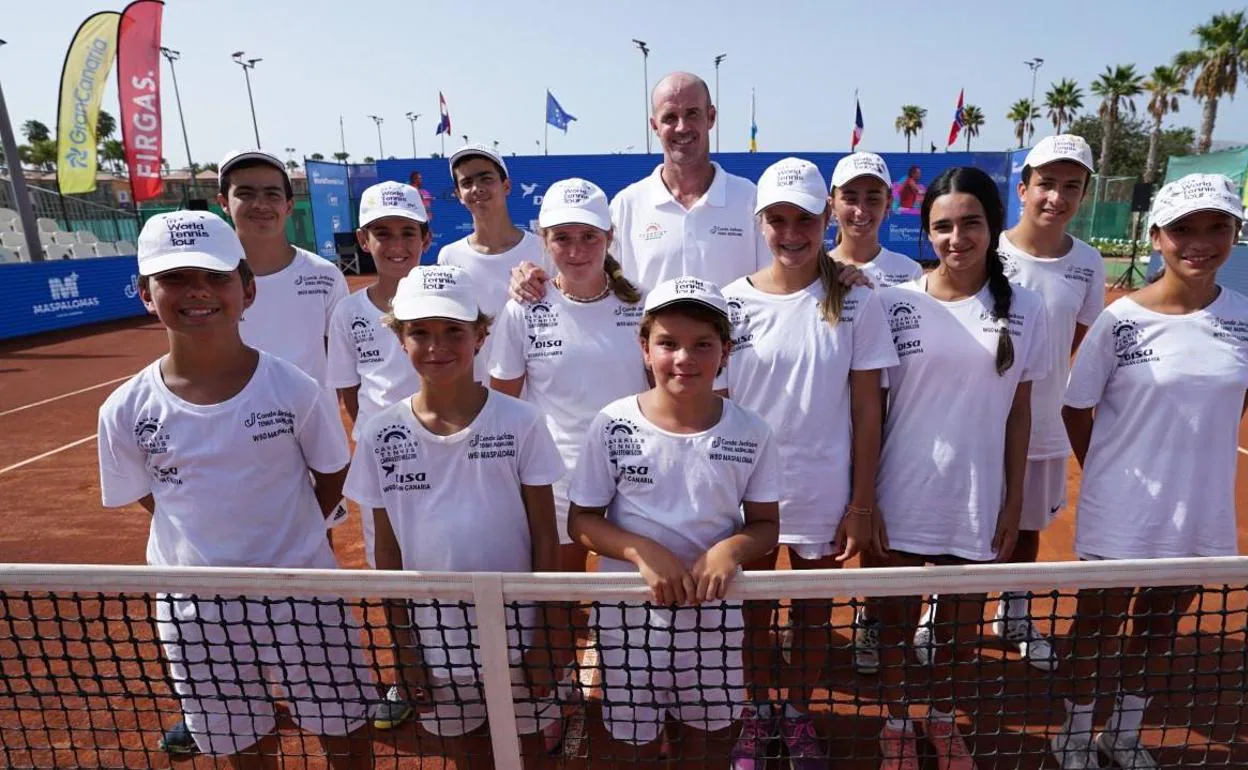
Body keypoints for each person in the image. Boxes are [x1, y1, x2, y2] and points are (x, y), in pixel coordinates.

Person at [97, 211, 371, 769]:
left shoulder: (295, 389)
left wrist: (290, 537)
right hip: (194, 608)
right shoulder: (123, 409)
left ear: (247, 289)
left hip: (304, 595)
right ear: (145, 293)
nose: (197, 292)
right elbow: (151, 496)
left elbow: (332, 474)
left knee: (345, 733)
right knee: (243, 745)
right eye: (173, 278)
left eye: (216, 276)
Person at [1050, 174, 1247, 770]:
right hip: (1122, 510)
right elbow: (1073, 406)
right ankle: (1076, 733)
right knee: (1096, 628)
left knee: (1160, 629)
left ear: (1235, 233)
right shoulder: (1121, 321)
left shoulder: (1245, 317)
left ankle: (1123, 732)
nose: (1201, 242)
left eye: (1218, 227)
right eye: (1184, 228)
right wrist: (1110, 471)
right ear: (1157, 237)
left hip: (1200, 511)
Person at [343, 264, 566, 762]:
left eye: (453, 331)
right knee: (463, 753)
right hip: (433, 640)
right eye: (419, 331)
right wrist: (405, 650)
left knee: (525, 750)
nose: (436, 345)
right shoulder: (379, 434)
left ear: (481, 336)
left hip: (519, 634)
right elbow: (387, 554)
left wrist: (546, 639)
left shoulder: (522, 421)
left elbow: (546, 540)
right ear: (399, 337)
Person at [719, 159, 896, 769]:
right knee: (753, 617)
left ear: (826, 219)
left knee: (815, 615)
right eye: (778, 220)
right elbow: (715, 409)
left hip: (824, 491)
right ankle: (755, 711)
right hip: (746, 496)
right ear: (759, 223)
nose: (791, 232)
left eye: (804, 219)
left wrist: (861, 503)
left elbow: (868, 409)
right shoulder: (729, 305)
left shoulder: (855, 300)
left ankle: (795, 715)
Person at [873, 167, 1048, 770]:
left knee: (958, 633)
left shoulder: (1028, 308)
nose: (956, 238)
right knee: (894, 628)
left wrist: (1014, 501)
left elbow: (1020, 412)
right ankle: (896, 724)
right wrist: (864, 499)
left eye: (970, 223)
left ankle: (943, 721)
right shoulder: (895, 304)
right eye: (942, 226)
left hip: (976, 499)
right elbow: (870, 409)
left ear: (993, 227)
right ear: (927, 232)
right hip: (899, 496)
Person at [567, 277, 780, 767]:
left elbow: (767, 525)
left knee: (708, 747)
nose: (685, 357)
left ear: (726, 351)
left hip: (714, 624)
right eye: (668, 343)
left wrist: (731, 550)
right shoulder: (612, 423)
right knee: (632, 750)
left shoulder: (753, 431)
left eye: (702, 344)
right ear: (645, 349)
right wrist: (642, 552)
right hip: (628, 627)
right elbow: (582, 520)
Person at [489, 177, 650, 751]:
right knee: (553, 605)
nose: (577, 249)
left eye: (589, 236)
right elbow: (503, 404)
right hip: (552, 487)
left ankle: (630, 700)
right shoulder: (522, 310)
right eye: (562, 238)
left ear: (608, 237)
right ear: (543, 240)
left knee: (629, 606)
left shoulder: (642, 306)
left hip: (631, 487)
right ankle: (555, 697)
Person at [992, 134, 1104, 670]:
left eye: (1070, 187)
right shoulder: (987, 248)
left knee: (1029, 527)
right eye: (1046, 184)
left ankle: (1014, 612)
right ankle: (940, 610)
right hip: (979, 423)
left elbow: (1071, 342)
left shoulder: (1088, 263)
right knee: (965, 523)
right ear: (1024, 188)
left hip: (1043, 426)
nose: (1056, 197)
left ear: (1082, 195)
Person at [508, 72, 767, 301]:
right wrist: (527, 279)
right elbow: (582, 276)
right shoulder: (626, 205)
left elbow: (775, 285)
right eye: (669, 117)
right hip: (646, 356)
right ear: (654, 126)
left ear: (711, 117)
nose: (682, 127)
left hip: (735, 356)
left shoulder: (750, 200)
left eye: (692, 114)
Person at [326, 181, 430, 731]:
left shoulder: (454, 293)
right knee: (391, 571)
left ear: (425, 238)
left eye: (407, 232)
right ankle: (408, 673)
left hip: (451, 459)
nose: (396, 244)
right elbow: (350, 392)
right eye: (383, 233)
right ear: (364, 239)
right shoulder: (347, 313)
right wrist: (380, 438)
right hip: (384, 464)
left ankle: (470, 669)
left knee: (456, 564)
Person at [218, 149, 349, 391]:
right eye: (245, 194)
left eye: (272, 194)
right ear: (224, 203)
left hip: (312, 426)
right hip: (237, 426)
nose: (260, 204)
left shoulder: (325, 276)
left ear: (289, 206)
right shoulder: (210, 280)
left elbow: (343, 361)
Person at [437, 143, 547, 381]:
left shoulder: (542, 249)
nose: (477, 188)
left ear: (506, 186)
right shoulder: (448, 257)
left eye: (486, 179)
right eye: (466, 183)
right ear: (458, 195)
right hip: (476, 394)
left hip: (538, 395)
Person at [828, 152, 923, 288]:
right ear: (832, 205)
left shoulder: (910, 272)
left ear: (888, 204)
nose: (860, 211)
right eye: (850, 199)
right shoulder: (815, 273)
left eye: (873, 199)